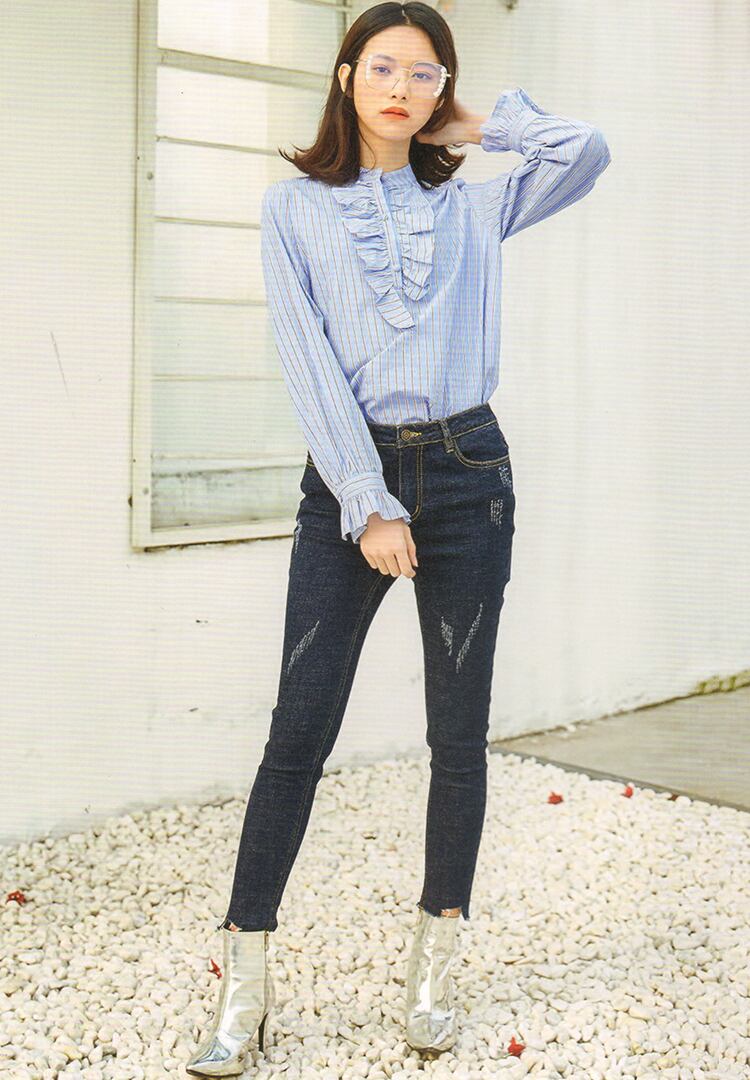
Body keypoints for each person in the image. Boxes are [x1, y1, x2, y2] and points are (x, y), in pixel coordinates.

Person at [187, 1, 611, 1074]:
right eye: (383, 67)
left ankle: (433, 969)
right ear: (345, 75)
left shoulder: (473, 204)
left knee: (458, 735)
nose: (401, 89)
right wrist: (368, 501)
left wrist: (474, 124)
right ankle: (245, 982)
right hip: (351, 479)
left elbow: (586, 150)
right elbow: (304, 357)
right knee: (298, 729)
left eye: (426, 74)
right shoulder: (294, 207)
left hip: (470, 473)